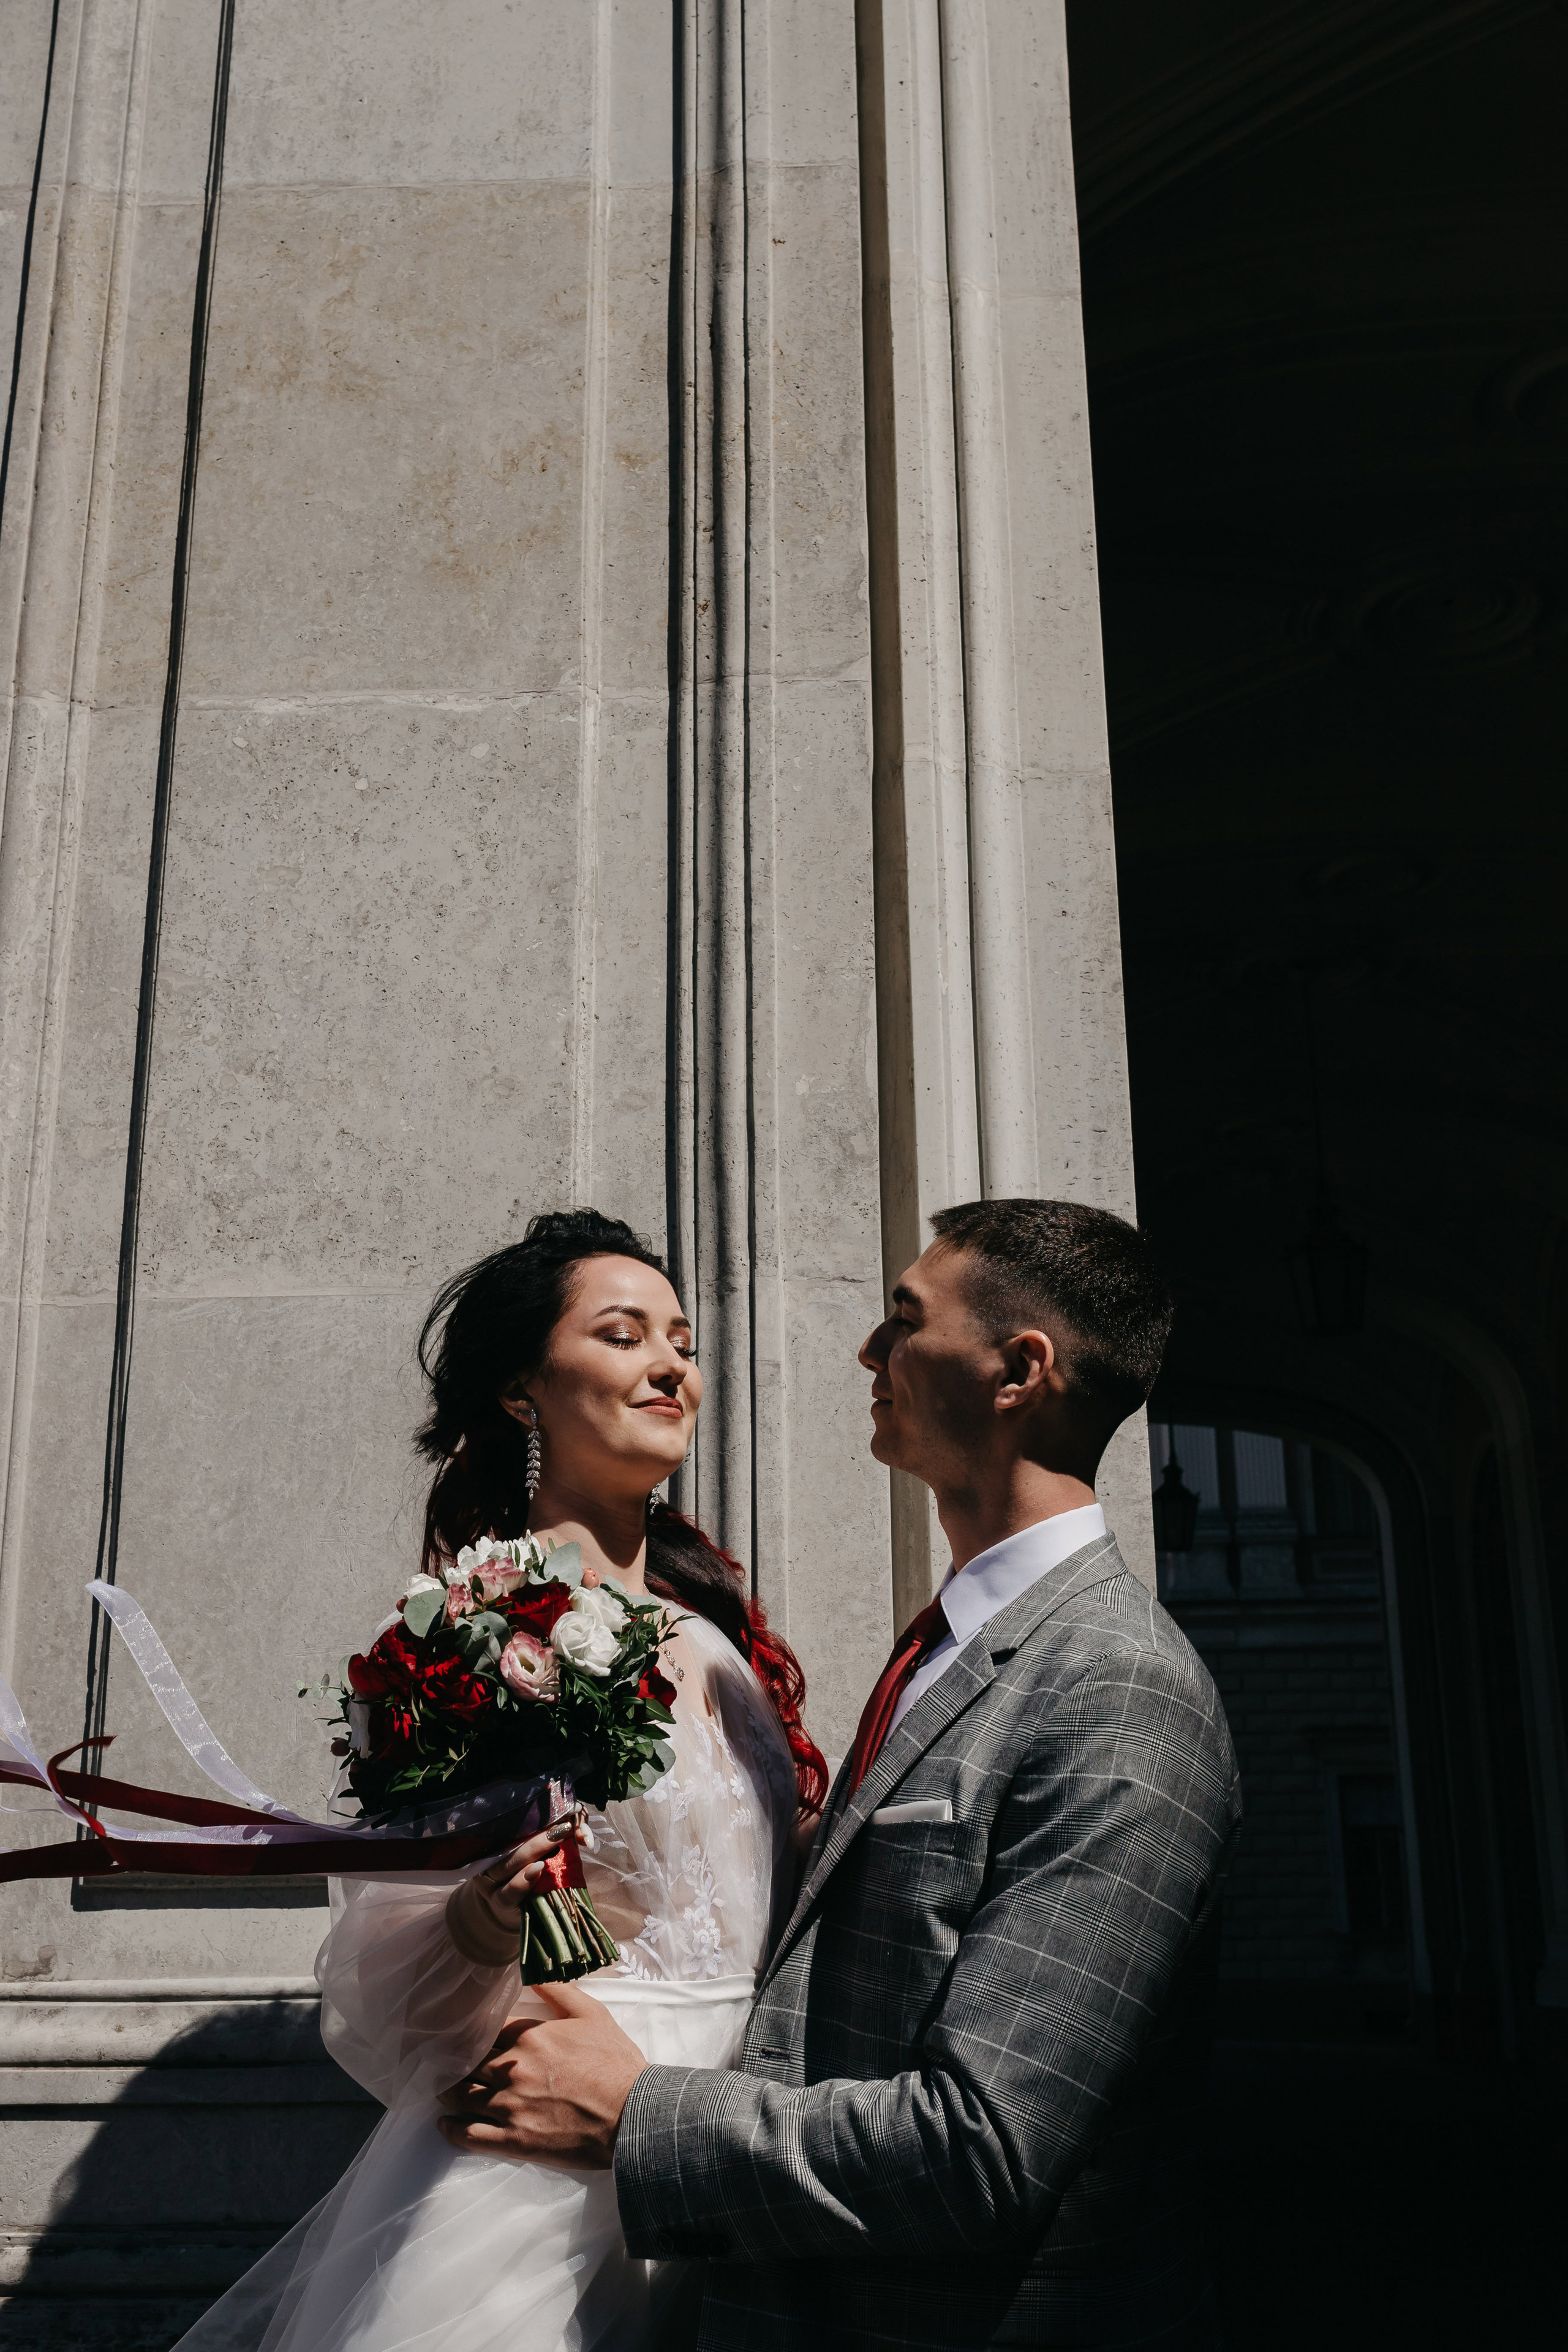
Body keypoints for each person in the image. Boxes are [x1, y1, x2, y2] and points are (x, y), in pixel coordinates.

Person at [438, 1198, 1242, 2351]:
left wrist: (634, 2111)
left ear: (1019, 1369)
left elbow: (983, 2152)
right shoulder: (947, 1648)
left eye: (905, 1322)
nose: (870, 1349)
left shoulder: (1117, 1688)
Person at [173, 1208, 824, 2352]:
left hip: (739, 2143)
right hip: (553, 2158)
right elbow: (395, 1968)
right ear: (525, 1392)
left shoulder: (723, 1644)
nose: (671, 1363)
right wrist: (484, 1920)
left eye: (680, 1339)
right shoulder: (460, 1632)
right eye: (624, 1336)